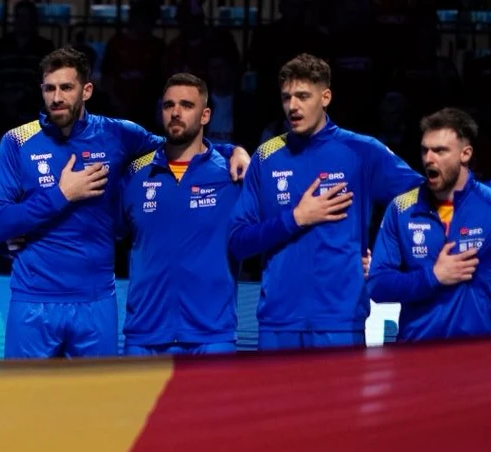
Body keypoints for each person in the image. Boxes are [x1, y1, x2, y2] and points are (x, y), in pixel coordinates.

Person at [0, 48, 250, 358]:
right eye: (49, 88)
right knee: (24, 403)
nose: (57, 97)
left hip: (96, 300)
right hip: (33, 300)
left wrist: (233, 150)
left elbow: (179, 146)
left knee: (98, 405)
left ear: (86, 90)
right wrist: (62, 195)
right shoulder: (17, 141)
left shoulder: (118, 134)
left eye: (66, 87)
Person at [228, 54, 422, 350]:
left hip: (340, 321)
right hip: (278, 322)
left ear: (325, 97)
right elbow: (239, 241)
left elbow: (425, 199)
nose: (293, 106)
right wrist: (296, 218)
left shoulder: (361, 151)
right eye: (286, 97)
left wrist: (387, 258)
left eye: (303, 96)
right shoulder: (266, 157)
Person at [119, 74, 242, 354]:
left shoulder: (232, 174)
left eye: (187, 105)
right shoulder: (135, 174)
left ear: (205, 115)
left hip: (212, 336)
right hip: (145, 335)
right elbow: (103, 232)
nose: (176, 112)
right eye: (168, 105)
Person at [368, 108, 489, 341]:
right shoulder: (401, 209)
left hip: (478, 356)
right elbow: (378, 285)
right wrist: (433, 277)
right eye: (425, 150)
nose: (428, 159)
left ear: (465, 154)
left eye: (440, 151)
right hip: (418, 356)